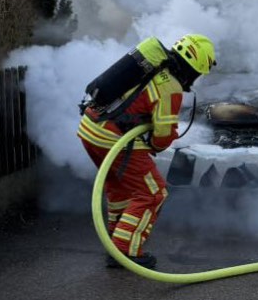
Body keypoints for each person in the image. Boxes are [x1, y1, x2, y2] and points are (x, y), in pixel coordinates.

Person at [77, 34, 216, 269]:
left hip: (91, 130)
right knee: (153, 193)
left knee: (121, 190)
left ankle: (116, 243)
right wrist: (163, 138)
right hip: (113, 139)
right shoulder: (170, 86)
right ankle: (125, 251)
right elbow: (161, 137)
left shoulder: (152, 67)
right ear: (194, 68)